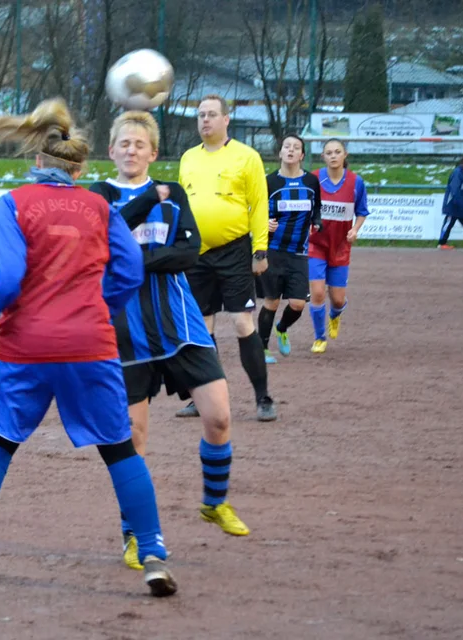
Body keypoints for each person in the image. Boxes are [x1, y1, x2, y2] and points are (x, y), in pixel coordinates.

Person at [0, 99, 176, 598]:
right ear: (80, 166)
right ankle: (152, 555)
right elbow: (130, 271)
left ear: (37, 160)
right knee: (120, 450)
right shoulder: (100, 206)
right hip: (90, 343)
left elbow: (6, 277)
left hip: (28, 344)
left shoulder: (11, 203)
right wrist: (97, 306)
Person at [90, 111, 250, 570]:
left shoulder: (172, 193)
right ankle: (135, 536)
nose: (132, 150)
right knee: (133, 440)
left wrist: (134, 260)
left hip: (181, 327)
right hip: (123, 334)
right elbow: (102, 242)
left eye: (140, 144)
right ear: (111, 150)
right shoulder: (98, 196)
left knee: (218, 417)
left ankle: (213, 502)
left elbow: (189, 251)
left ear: (153, 153)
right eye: (124, 143)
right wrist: (142, 254)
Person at [176, 94, 276, 422]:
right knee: (202, 329)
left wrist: (259, 249)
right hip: (197, 254)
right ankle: (204, 396)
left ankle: (263, 397)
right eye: (201, 115)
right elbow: (181, 206)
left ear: (226, 119)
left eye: (212, 115)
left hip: (235, 250)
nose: (205, 120)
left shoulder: (246, 157)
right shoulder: (189, 158)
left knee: (242, 321)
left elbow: (259, 205)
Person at [257, 135, 322, 364]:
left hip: (299, 252)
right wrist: (264, 222)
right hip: (273, 250)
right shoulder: (268, 182)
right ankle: (263, 348)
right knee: (272, 301)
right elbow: (254, 211)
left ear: (302, 155)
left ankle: (282, 328)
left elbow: (317, 208)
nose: (291, 150)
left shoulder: (312, 182)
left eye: (296, 148)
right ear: (280, 153)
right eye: (287, 147)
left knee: (298, 304)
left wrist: (317, 221)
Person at [308, 138, 369, 354]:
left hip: (340, 247)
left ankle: (335, 315)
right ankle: (319, 337)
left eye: (337, 152)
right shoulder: (313, 179)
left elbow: (362, 212)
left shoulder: (356, 182)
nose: (333, 156)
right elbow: (305, 207)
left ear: (345, 155)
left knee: (337, 299)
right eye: (329, 152)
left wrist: (355, 229)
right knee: (316, 294)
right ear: (323, 156)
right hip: (316, 245)